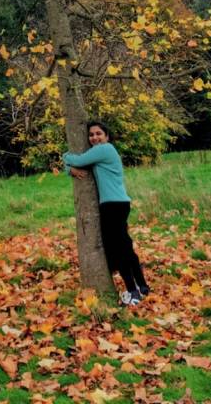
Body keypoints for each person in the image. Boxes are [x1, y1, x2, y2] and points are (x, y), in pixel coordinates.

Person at [63, 120, 149, 305]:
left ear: (107, 136)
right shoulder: (101, 153)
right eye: (91, 135)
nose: (94, 137)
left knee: (118, 249)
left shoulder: (104, 149)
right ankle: (142, 286)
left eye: (98, 134)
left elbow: (76, 160)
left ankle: (133, 293)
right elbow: (77, 165)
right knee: (125, 246)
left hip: (112, 206)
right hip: (118, 203)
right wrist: (69, 169)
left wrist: (65, 159)